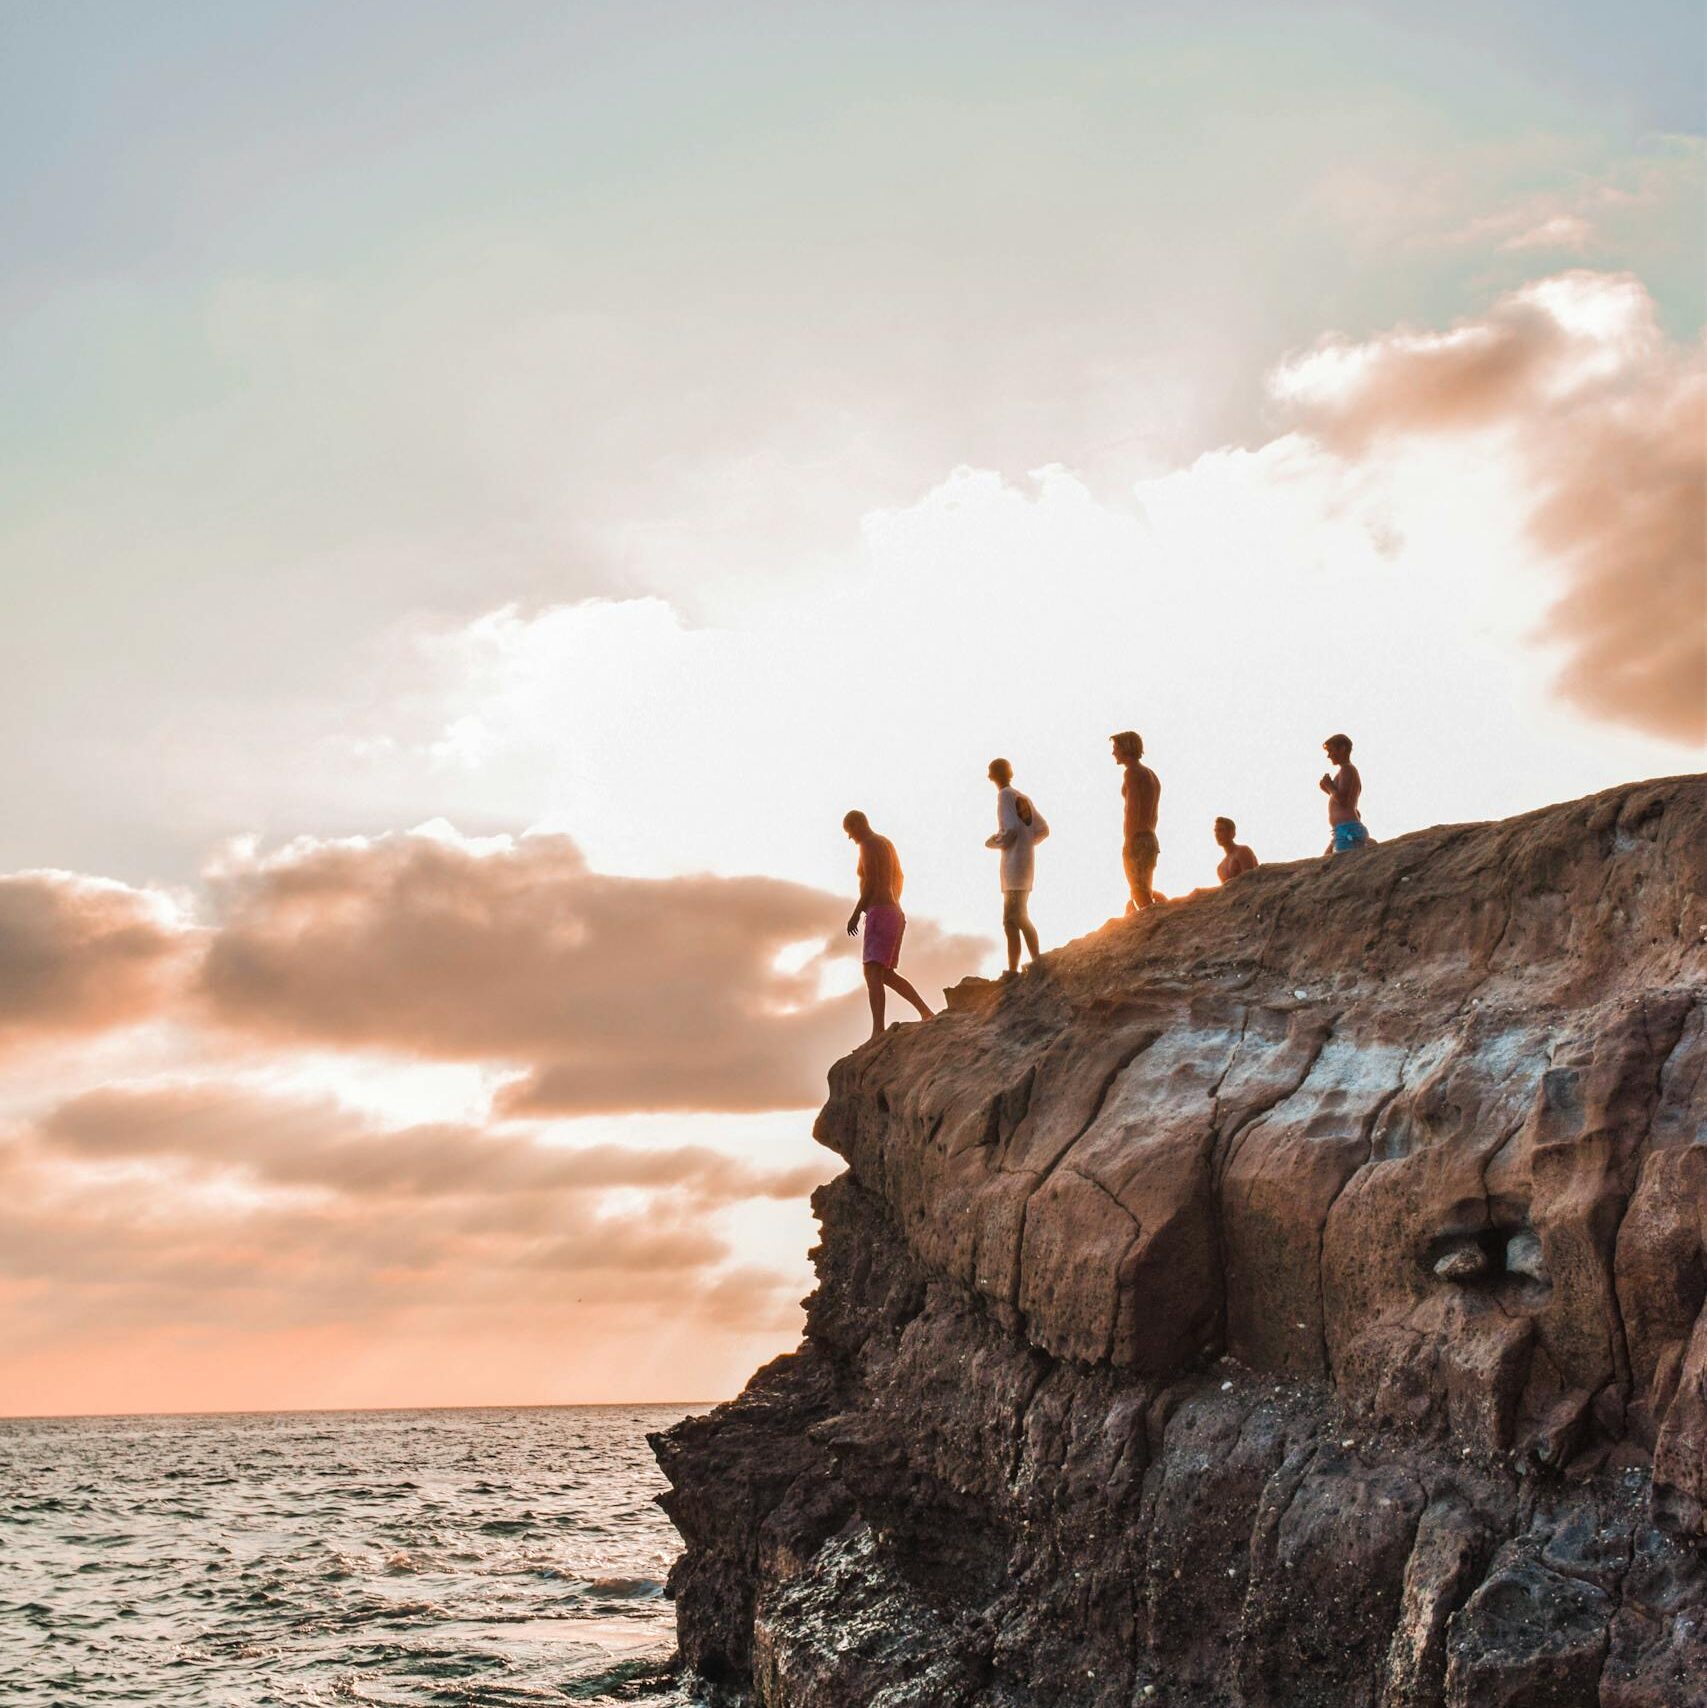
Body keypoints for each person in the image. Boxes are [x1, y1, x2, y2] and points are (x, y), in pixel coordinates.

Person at [843, 811, 933, 1041]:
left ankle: (878, 1031)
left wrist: (857, 913)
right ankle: (925, 1012)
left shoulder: (868, 844)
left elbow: (871, 882)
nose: (851, 838)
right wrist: (894, 902)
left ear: (858, 824)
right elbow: (900, 876)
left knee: (872, 972)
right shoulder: (885, 843)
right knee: (885, 974)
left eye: (850, 832)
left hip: (881, 913)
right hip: (893, 911)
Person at [984, 758, 1050, 974]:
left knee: (1014, 917)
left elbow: (1010, 829)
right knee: (1015, 917)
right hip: (1026, 864)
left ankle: (1034, 961)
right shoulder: (1021, 797)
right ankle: (1019, 965)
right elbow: (1042, 829)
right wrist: (1026, 844)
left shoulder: (1004, 795)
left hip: (1013, 866)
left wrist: (996, 841)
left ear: (994, 775)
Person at [1111, 730, 1161, 911]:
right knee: (1144, 889)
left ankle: (1155, 923)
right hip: (1150, 837)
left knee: (1139, 892)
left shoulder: (1132, 773)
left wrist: (1129, 840)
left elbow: (1132, 809)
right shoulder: (1150, 774)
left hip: (1138, 838)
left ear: (1125, 748)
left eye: (1115, 748)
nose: (1113, 753)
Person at [1320, 734, 1370, 854]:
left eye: (1331, 750)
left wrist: (1329, 786)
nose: (1329, 755)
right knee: (1325, 861)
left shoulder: (1347, 769)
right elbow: (1346, 801)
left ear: (1342, 748)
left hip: (1347, 829)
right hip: (1342, 830)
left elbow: (1343, 800)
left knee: (1337, 864)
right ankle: (1366, 841)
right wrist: (1327, 789)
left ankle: (1366, 842)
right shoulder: (1347, 771)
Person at [1214, 817, 1258, 883]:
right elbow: (1225, 891)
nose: (1217, 834)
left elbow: (1250, 880)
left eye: (1221, 830)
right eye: (1215, 831)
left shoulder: (1242, 851)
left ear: (1232, 833)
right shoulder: (1220, 867)